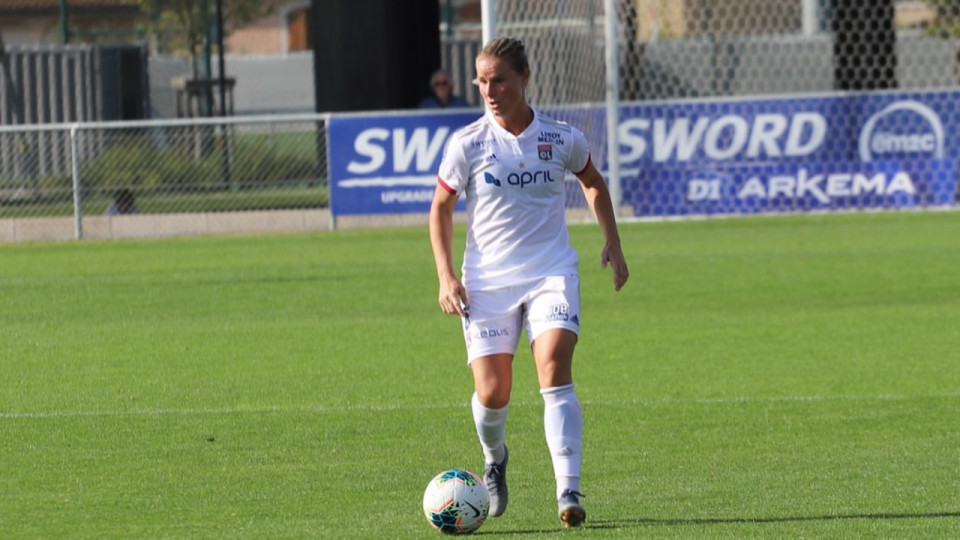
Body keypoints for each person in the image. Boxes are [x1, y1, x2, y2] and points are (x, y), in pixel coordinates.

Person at [428, 37, 629, 528]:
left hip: (550, 272)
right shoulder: (468, 144)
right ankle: (494, 458)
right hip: (488, 281)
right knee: (494, 393)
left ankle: (569, 491)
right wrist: (446, 276)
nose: (489, 90)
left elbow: (594, 182)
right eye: (482, 81)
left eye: (499, 79)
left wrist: (613, 242)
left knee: (554, 365)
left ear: (525, 77)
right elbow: (440, 207)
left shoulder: (561, 138)